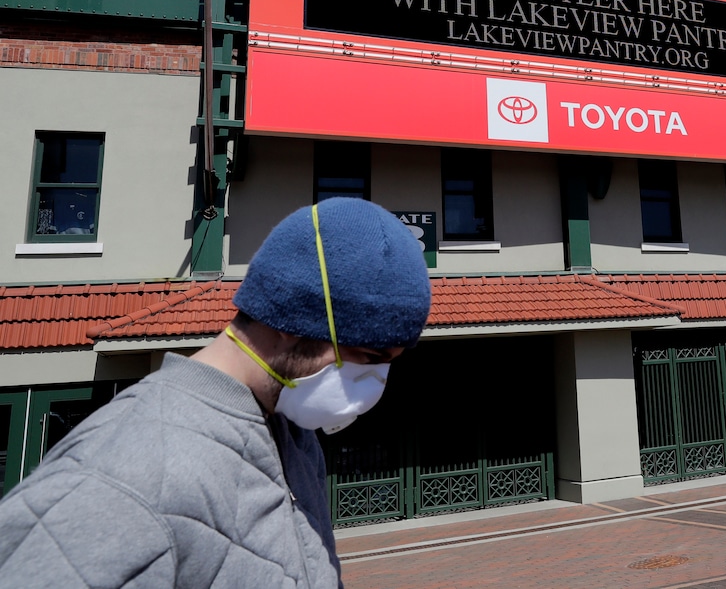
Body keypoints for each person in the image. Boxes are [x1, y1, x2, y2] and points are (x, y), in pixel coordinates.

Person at [0, 198, 431, 588]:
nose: (375, 379)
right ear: (288, 315)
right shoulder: (116, 478)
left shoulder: (293, 432)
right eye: (368, 355)